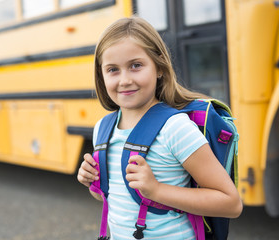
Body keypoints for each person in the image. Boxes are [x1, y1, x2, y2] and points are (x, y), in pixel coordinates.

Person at [77, 16, 242, 240]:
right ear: (102, 75)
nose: (124, 80)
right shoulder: (102, 129)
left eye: (136, 66)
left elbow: (231, 203)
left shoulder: (175, 128)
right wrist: (93, 182)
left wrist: (156, 190)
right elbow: (113, 197)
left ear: (159, 68)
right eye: (113, 70)